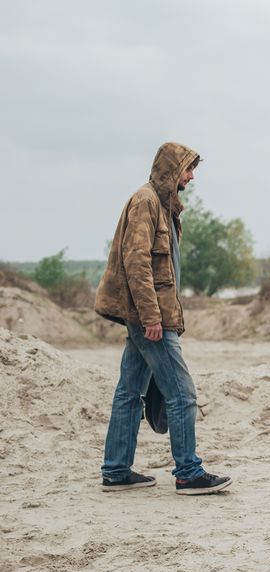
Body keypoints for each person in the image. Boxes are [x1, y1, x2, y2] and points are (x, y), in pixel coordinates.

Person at [95, 142, 232, 495]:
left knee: (129, 393)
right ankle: (188, 472)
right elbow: (136, 263)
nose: (191, 176)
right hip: (150, 318)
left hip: (150, 315)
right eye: (188, 169)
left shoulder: (162, 205)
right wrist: (152, 316)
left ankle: (115, 470)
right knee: (182, 393)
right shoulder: (146, 202)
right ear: (172, 171)